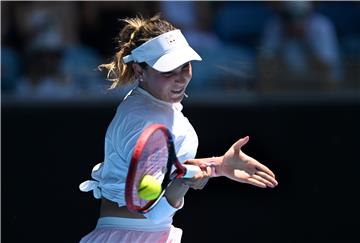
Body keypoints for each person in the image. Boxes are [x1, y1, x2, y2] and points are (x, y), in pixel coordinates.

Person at [79, 15, 278, 243]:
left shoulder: (152, 103)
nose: (180, 79)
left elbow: (163, 167)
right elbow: (155, 212)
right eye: (167, 71)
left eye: (184, 67)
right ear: (140, 71)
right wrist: (183, 183)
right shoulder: (145, 120)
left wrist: (216, 166)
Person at [257, 1, 343, 91]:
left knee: (329, 79)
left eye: (300, 16)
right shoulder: (274, 25)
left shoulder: (322, 25)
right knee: (266, 78)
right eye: (289, 16)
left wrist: (305, 41)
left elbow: (327, 69)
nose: (294, 21)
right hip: (285, 82)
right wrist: (283, 40)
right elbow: (265, 66)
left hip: (315, 83)